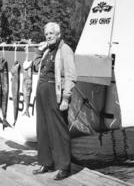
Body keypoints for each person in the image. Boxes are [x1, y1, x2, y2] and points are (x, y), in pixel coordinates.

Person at [32, 22, 76, 180]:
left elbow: (71, 76)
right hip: (42, 95)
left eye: (51, 33)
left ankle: (64, 166)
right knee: (42, 129)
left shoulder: (65, 50)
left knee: (59, 131)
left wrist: (66, 98)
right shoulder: (47, 50)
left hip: (55, 95)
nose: (48, 36)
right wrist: (38, 51)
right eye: (46, 34)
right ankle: (46, 162)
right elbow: (37, 67)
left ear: (58, 34)